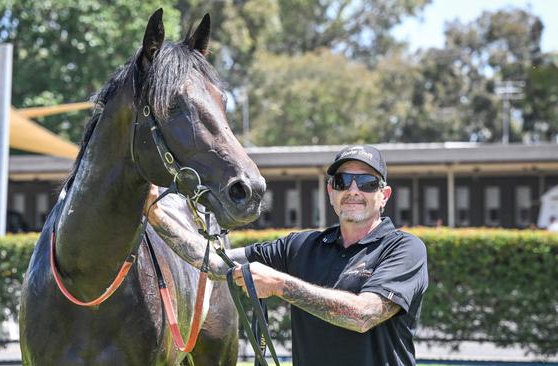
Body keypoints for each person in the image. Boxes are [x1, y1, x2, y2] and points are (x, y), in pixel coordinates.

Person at [147, 144, 428, 366]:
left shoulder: (403, 248)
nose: (353, 190)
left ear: (384, 195)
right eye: (343, 181)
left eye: (366, 182)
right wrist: (155, 214)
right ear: (331, 191)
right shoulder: (302, 246)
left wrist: (281, 285)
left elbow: (364, 315)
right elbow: (214, 264)